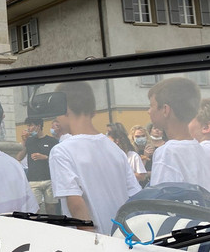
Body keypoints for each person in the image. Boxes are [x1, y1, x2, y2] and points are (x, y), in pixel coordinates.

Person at [48, 82, 141, 234]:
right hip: (123, 237)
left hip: (96, 243)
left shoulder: (61, 151)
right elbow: (134, 196)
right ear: (93, 111)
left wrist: (93, 247)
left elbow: (76, 204)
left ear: (65, 109)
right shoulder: (115, 149)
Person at [147, 77, 210, 190]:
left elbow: (160, 201)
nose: (149, 111)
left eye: (152, 106)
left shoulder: (167, 152)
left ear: (165, 110)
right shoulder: (201, 149)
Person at [15, 118, 58, 214]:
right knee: (35, 209)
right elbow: (19, 157)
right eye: (28, 126)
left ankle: (52, 227)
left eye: (30, 125)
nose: (28, 128)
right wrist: (24, 141)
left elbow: (57, 160)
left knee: (51, 208)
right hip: (33, 180)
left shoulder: (52, 141)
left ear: (38, 126)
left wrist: (45, 157)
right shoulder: (29, 141)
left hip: (49, 179)